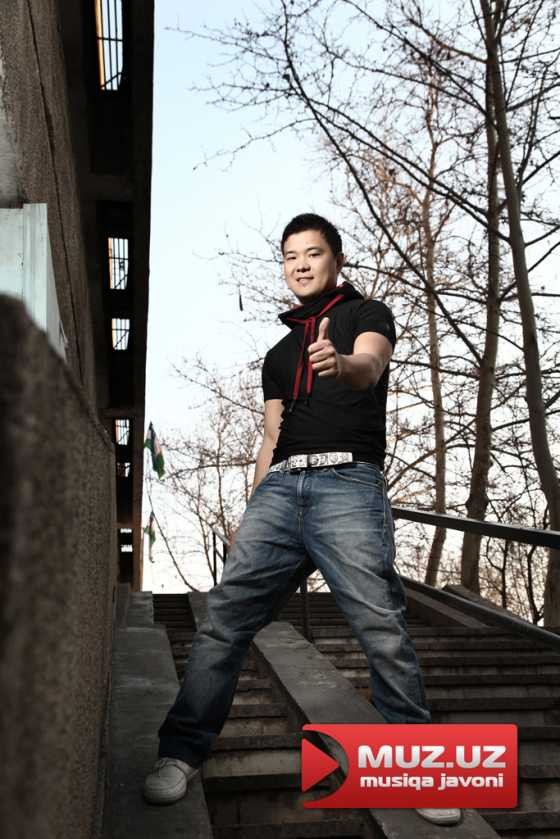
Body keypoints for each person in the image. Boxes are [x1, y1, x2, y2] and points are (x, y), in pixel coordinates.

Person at [143, 213, 461, 826]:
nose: (300, 265)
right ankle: (179, 753)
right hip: (281, 489)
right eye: (290, 256)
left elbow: (369, 366)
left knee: (381, 624)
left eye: (312, 253)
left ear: (335, 259)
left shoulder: (367, 314)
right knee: (224, 621)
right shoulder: (278, 354)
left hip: (348, 483)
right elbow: (270, 436)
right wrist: (253, 507)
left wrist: (342, 364)